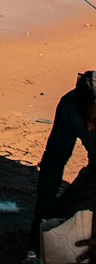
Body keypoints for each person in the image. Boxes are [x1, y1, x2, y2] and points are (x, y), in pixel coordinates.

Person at [33, 71, 96, 239]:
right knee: (60, 223)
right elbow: (54, 161)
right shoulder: (70, 106)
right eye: (86, 120)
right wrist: (42, 217)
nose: (89, 128)